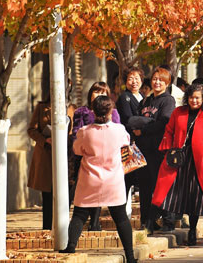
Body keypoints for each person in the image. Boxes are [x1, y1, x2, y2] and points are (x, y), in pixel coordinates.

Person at [59, 96, 136, 262]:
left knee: (79, 214)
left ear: (92, 110)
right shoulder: (119, 130)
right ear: (110, 111)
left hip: (90, 179)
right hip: (113, 181)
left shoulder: (85, 132)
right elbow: (126, 144)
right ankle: (130, 256)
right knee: (121, 217)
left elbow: (77, 150)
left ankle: (71, 246)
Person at [152, 82, 203, 246]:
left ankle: (192, 230)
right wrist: (167, 147)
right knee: (172, 191)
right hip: (178, 157)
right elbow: (169, 130)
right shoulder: (178, 112)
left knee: (194, 197)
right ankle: (167, 223)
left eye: (197, 98)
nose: (194, 100)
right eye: (191, 97)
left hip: (196, 159)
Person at [69, 82, 119, 231]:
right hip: (86, 158)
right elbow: (76, 134)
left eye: (103, 93)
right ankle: (75, 223)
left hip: (107, 160)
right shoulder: (82, 111)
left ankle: (95, 222)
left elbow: (117, 133)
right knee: (82, 190)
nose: (99, 96)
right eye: (96, 92)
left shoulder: (114, 113)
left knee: (102, 191)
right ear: (90, 93)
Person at [133, 67, 176, 231]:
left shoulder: (168, 100)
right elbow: (135, 119)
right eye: (155, 79)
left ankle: (168, 221)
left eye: (161, 80)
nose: (157, 82)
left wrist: (143, 129)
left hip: (159, 150)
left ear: (167, 83)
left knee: (161, 186)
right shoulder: (145, 101)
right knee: (145, 186)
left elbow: (164, 122)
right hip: (143, 151)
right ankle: (147, 221)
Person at [27, 96, 53, 229]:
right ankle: (47, 229)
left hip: (65, 155)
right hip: (45, 155)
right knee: (47, 195)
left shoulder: (71, 108)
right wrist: (45, 140)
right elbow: (31, 130)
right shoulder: (41, 107)